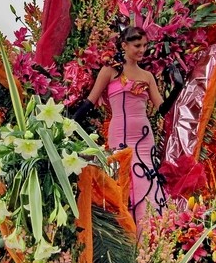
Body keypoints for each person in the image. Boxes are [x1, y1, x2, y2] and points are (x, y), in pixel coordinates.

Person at [73, 26, 183, 228]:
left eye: (145, 46)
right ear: (124, 45)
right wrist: (69, 125)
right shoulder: (110, 71)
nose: (142, 50)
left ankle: (150, 237)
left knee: (146, 181)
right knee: (124, 183)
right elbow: (90, 101)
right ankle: (127, 236)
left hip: (144, 138)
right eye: (137, 45)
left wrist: (177, 88)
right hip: (120, 137)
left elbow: (162, 109)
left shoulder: (147, 76)